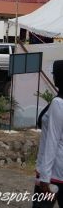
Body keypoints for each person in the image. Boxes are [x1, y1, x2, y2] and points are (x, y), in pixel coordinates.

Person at [33, 60, 63, 208]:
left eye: (55, 74)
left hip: (53, 173)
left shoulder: (58, 103)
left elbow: (53, 140)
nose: (53, 77)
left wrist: (45, 176)